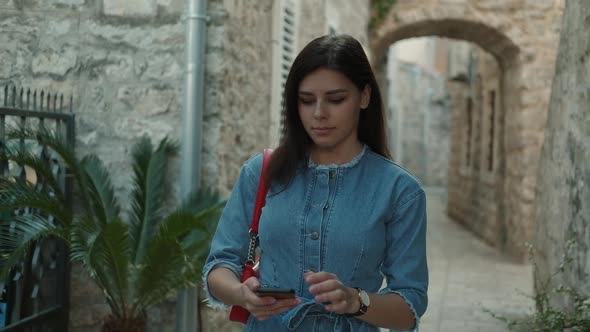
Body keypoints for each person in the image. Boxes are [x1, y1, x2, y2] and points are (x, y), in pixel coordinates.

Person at [202, 34, 428, 332]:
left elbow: (409, 305)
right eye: (307, 100)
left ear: (365, 96)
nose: (319, 113)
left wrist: (356, 301)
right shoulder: (262, 172)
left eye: (336, 99)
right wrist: (240, 294)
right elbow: (219, 266)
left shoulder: (401, 192)